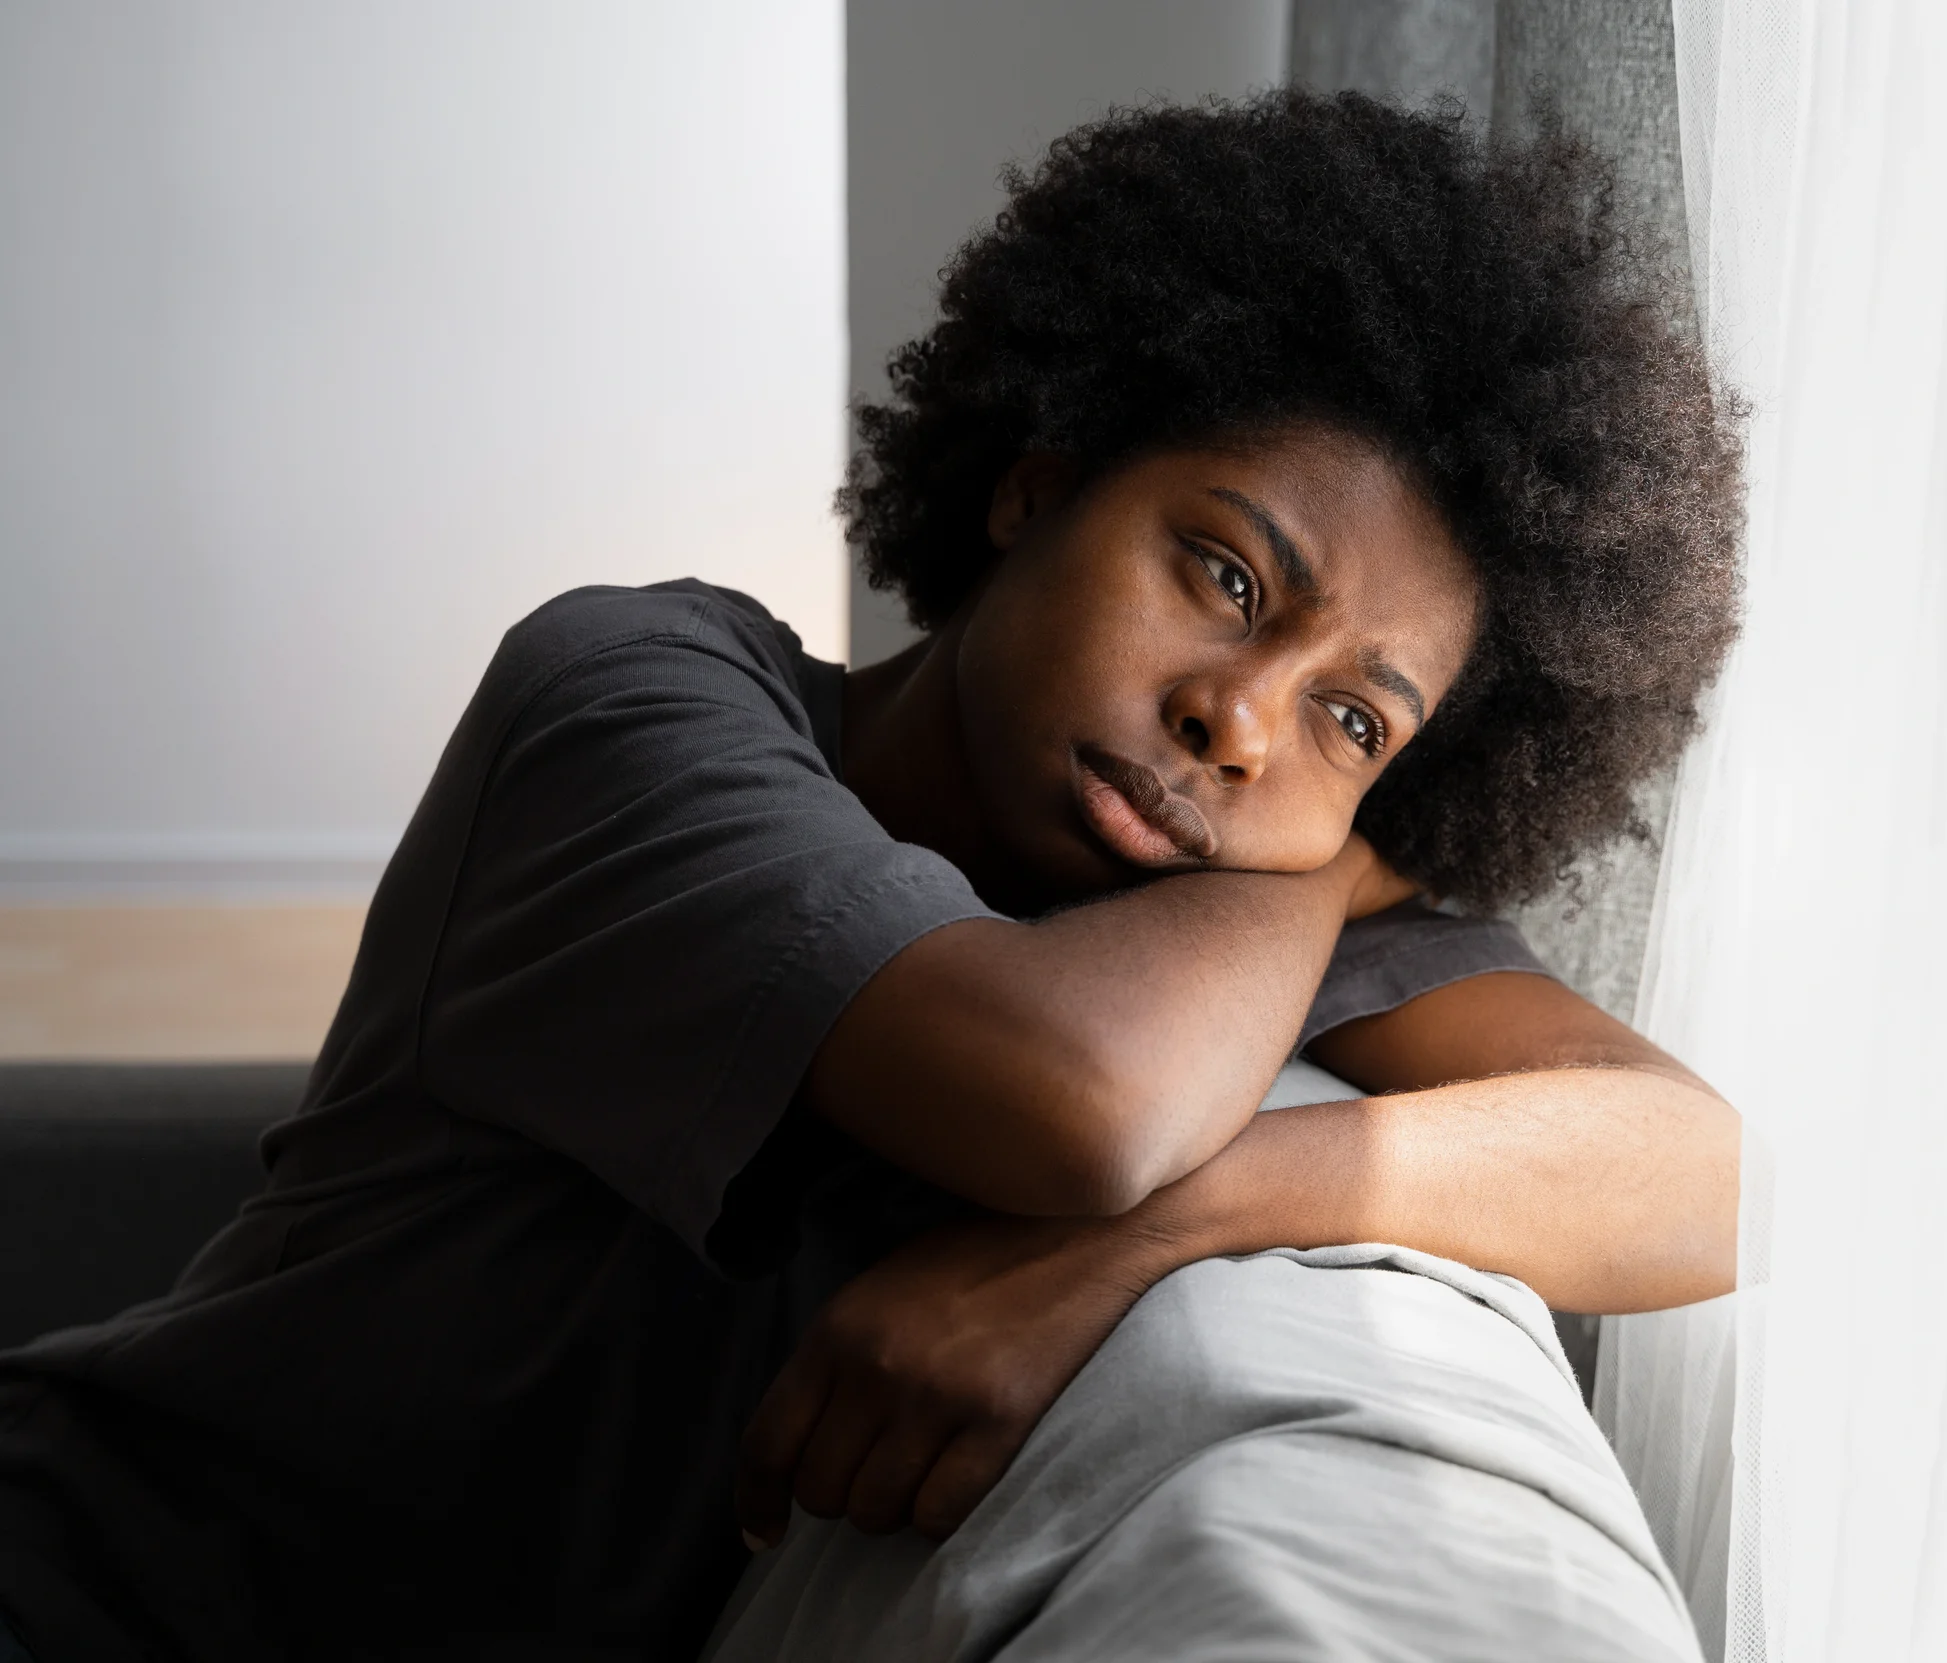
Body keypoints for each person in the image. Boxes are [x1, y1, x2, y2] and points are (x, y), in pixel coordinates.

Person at [0, 90, 1744, 1661]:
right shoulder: (633, 701)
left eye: (1359, 715)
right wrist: (1332, 833)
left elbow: (1691, 1175)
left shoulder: (1182, 901)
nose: (1238, 723)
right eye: (1225, 579)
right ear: (1037, 481)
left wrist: (1180, 1223)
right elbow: (1081, 1101)